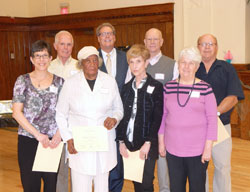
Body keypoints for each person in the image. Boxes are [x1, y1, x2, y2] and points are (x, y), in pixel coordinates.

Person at [55, 46, 124, 192]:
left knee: (102, 187)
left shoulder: (109, 81)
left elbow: (119, 109)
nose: (92, 64)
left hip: (103, 142)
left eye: (95, 60)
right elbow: (60, 114)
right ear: (81, 64)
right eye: (88, 61)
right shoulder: (70, 83)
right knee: (80, 186)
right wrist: (68, 138)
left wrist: (114, 119)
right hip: (79, 143)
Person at [158, 47, 218, 192]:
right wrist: (161, 143)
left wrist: (208, 148)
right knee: (176, 188)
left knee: (197, 188)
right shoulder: (168, 87)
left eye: (191, 63)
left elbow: (212, 120)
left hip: (197, 151)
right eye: (183, 62)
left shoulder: (206, 89)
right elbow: (163, 116)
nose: (186, 66)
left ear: (197, 66)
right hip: (173, 149)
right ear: (178, 65)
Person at [12, 40, 64, 192]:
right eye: (38, 56)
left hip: (52, 142)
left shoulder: (60, 82)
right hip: (28, 140)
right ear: (31, 59)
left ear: (50, 58)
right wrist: (37, 135)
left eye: (45, 56)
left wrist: (58, 135)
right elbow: (16, 112)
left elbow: (66, 112)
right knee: (30, 186)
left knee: (50, 186)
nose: (41, 59)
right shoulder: (22, 81)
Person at [196, 34, 245, 192]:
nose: (207, 47)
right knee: (198, 169)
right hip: (196, 128)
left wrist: (213, 113)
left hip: (221, 126)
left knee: (222, 167)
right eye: (203, 44)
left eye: (211, 43)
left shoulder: (227, 68)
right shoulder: (192, 67)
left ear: (216, 47)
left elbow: (233, 98)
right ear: (198, 47)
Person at [116, 44, 163, 192]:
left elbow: (157, 117)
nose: (135, 66)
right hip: (129, 143)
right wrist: (121, 141)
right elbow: (122, 117)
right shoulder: (125, 88)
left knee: (146, 183)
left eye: (139, 61)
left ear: (146, 63)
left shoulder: (156, 86)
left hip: (147, 143)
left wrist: (148, 142)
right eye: (132, 62)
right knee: (136, 181)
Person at [144, 28, 178, 192]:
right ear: (144, 42)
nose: (152, 42)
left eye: (155, 39)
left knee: (164, 165)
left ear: (162, 42)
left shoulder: (172, 64)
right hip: (144, 125)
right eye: (149, 39)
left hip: (165, 123)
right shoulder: (139, 62)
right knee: (146, 169)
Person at [96, 22, 130, 192]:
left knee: (118, 156)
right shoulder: (92, 59)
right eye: (103, 34)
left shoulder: (126, 57)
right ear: (98, 38)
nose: (107, 36)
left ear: (115, 37)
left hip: (120, 116)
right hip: (98, 118)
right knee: (101, 157)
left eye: (110, 33)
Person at [48, 30, 80, 192]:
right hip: (54, 126)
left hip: (76, 124)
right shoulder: (47, 66)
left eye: (69, 44)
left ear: (73, 46)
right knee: (59, 168)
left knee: (78, 168)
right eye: (62, 44)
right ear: (55, 46)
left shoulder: (80, 66)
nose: (66, 48)